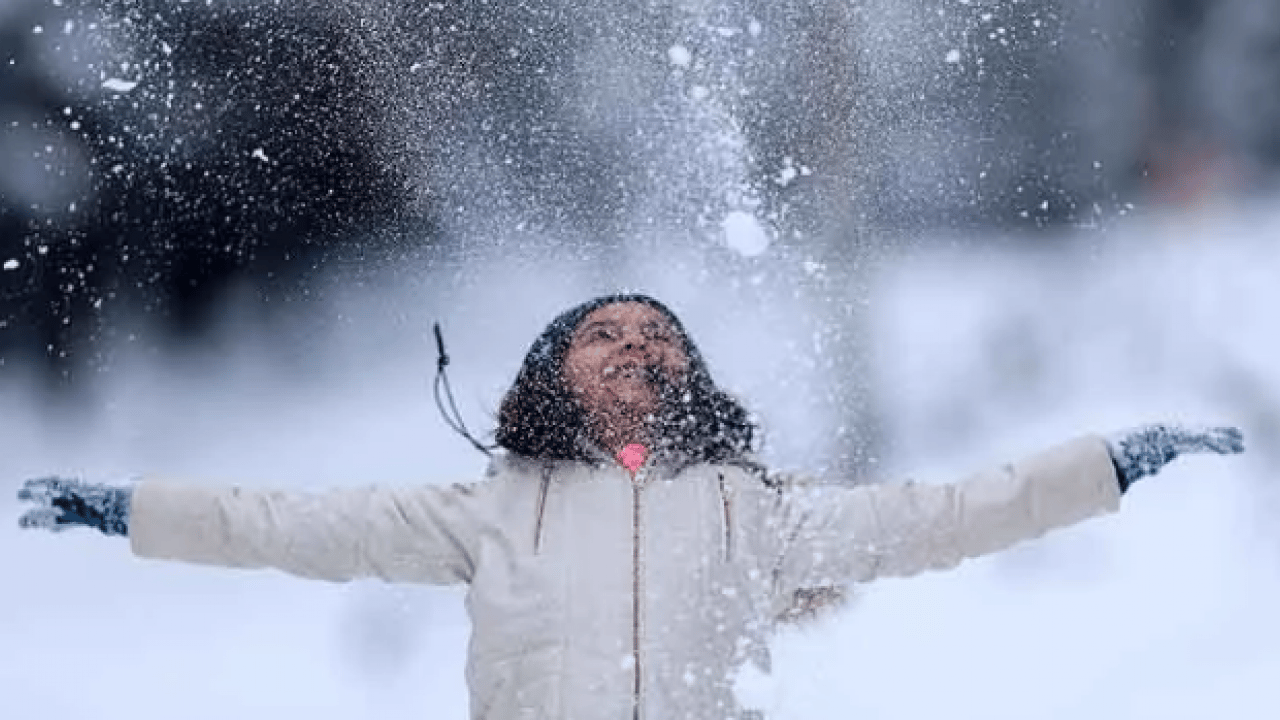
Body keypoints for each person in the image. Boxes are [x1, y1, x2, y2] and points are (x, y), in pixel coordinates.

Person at [17, 293, 1245, 720]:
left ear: (689, 375)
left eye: (657, 335)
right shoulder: (489, 511)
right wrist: (128, 509)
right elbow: (285, 524)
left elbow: (945, 514)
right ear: (551, 373)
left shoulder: (751, 513)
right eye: (601, 334)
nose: (632, 346)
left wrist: (1109, 463)